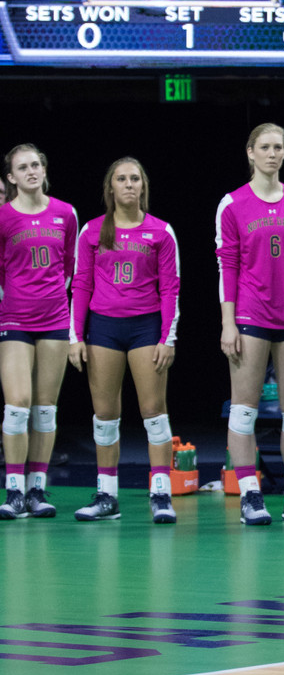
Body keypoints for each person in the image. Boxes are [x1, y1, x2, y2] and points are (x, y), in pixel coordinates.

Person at [216, 123, 284, 526]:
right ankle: (250, 496)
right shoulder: (232, 205)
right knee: (244, 411)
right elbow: (227, 266)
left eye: (279, 146)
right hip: (249, 317)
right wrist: (228, 323)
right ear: (250, 152)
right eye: (265, 147)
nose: (273, 153)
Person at [69, 158, 181, 524]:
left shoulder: (161, 232)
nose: (129, 184)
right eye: (122, 178)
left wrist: (168, 337)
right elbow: (81, 285)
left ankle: (161, 494)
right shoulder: (91, 232)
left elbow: (170, 288)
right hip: (103, 329)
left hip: (146, 328)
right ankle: (106, 496)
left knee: (153, 412)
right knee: (105, 416)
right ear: (111, 188)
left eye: (135, 178)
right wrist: (75, 337)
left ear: (143, 187)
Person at [0, 143, 78, 520]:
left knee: (45, 410)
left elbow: (69, 268)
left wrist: (50, 302)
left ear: (44, 171)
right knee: (17, 405)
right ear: (11, 177)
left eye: (36, 165)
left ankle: (37, 489)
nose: (31, 171)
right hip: (14, 320)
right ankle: (13, 490)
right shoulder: (2, 217)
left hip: (54, 321)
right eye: (22, 167)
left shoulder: (66, 213)